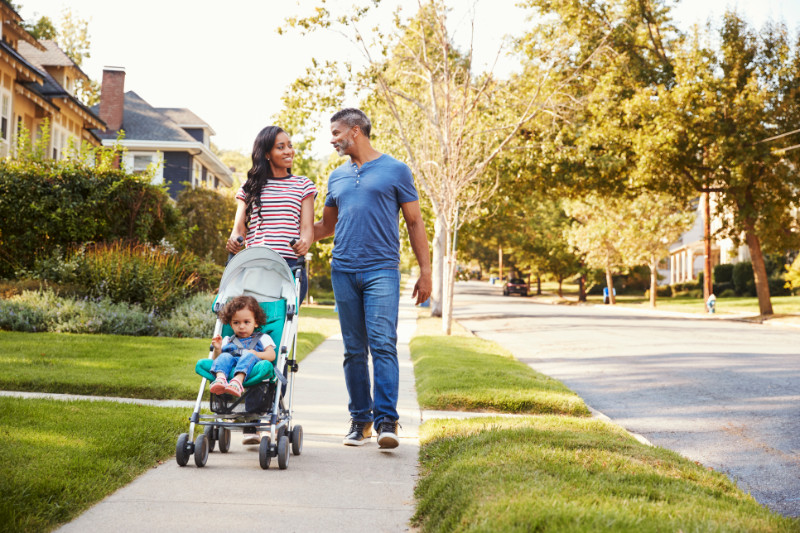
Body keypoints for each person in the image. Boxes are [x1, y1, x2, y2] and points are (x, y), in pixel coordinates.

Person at [313, 108, 432, 449]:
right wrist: (285, 235)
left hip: (382, 270)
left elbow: (414, 222)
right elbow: (326, 227)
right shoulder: (336, 176)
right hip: (343, 269)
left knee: (382, 343)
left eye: (336, 132)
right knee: (353, 350)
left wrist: (426, 272)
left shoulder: (396, 170)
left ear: (355, 131)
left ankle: (387, 422)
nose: (333, 139)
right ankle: (360, 420)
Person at [226, 125, 316, 305]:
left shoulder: (303, 185)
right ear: (267, 154)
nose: (288, 151)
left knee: (283, 325)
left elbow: (307, 228)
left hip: (290, 266)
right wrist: (234, 241)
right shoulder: (249, 187)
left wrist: (304, 243)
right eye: (280, 147)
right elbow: (239, 229)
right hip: (254, 266)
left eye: (289, 146)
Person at [209, 295, 276, 398]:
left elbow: (272, 355)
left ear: (256, 322)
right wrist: (217, 349)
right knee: (225, 356)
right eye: (236, 323)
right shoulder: (228, 339)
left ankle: (237, 381)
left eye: (246, 322)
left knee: (249, 355)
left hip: (250, 366)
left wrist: (256, 353)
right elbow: (216, 360)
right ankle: (220, 379)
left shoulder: (263, 338)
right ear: (231, 324)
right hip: (230, 365)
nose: (241, 326)